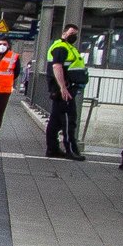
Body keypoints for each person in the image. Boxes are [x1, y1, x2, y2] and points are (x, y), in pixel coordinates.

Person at [44, 24, 87, 160]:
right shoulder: (61, 47)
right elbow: (57, 66)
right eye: (71, 32)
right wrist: (63, 87)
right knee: (69, 120)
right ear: (64, 33)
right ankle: (71, 150)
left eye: (76, 33)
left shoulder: (66, 47)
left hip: (62, 90)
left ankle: (52, 149)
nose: (74, 35)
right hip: (64, 91)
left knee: (55, 122)